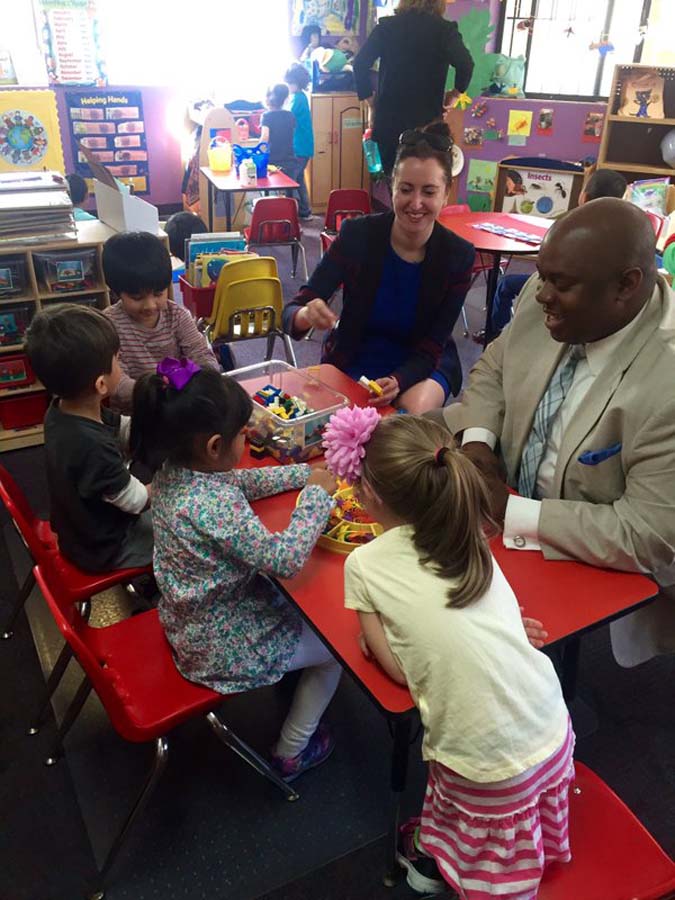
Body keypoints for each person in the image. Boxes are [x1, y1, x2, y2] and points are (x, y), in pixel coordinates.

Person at [340, 413, 573, 899]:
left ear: (370, 498)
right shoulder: (470, 535)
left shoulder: (363, 563)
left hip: (485, 768)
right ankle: (515, 849)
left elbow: (400, 674)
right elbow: (483, 615)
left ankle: (442, 868)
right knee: (500, 794)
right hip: (554, 728)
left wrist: (372, 641)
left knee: (459, 782)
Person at [436, 197, 675, 667]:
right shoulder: (544, 296)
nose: (541, 293)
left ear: (626, 286)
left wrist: (512, 511)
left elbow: (647, 534)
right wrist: (480, 442)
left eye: (559, 283)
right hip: (502, 500)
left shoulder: (667, 380)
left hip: (595, 555)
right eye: (542, 274)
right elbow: (491, 372)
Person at [132, 361, 342, 780]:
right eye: (242, 436)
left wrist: (305, 474)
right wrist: (315, 498)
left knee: (296, 605)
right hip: (220, 646)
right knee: (335, 653)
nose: (247, 440)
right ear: (214, 446)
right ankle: (292, 751)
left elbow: (238, 484)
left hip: (190, 623)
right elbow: (285, 560)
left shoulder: (175, 470)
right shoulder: (214, 504)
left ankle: (288, 680)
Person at [283, 123, 474, 414]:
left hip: (423, 362)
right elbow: (291, 313)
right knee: (335, 427)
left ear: (446, 193)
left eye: (429, 191)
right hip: (354, 354)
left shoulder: (458, 255)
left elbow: (433, 345)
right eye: (406, 189)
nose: (416, 203)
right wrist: (306, 314)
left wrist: (400, 380)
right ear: (391, 188)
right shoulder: (357, 234)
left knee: (406, 418)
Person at [24, 304, 153, 572]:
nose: (121, 364)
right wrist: (172, 482)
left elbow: (120, 428)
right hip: (106, 548)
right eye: (117, 360)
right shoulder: (89, 445)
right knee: (183, 529)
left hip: (79, 532)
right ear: (101, 385)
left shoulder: (63, 409)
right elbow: (138, 501)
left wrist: (156, 426)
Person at [490, 168, 629, 335]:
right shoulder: (621, 231)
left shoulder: (572, 225)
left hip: (563, 289)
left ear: (584, 197)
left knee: (506, 284)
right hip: (599, 297)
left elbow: (548, 263)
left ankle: (494, 333)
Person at [101, 231, 219, 413]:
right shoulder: (109, 325)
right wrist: (159, 393)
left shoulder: (178, 316)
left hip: (178, 407)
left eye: (158, 294)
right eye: (136, 297)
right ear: (116, 292)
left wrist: (204, 378)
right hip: (135, 414)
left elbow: (201, 353)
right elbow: (116, 383)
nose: (150, 305)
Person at [353, 0, 473, 174]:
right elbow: (466, 64)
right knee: (427, 184)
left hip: (389, 121)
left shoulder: (387, 27)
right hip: (427, 124)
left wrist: (371, 102)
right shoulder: (444, 30)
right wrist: (454, 95)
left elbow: (360, 63)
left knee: (396, 184)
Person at [284, 63, 314, 220]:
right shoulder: (299, 97)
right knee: (299, 179)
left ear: (297, 82)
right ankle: (304, 211)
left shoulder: (298, 99)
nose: (288, 86)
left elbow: (287, 117)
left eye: (290, 83)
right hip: (303, 147)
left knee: (291, 180)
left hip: (299, 148)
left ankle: (292, 213)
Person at [260, 83, 296, 175]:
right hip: (290, 160)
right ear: (285, 99)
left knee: (274, 186)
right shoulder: (290, 115)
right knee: (290, 186)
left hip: (274, 160)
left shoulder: (267, 116)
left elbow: (265, 137)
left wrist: (258, 153)